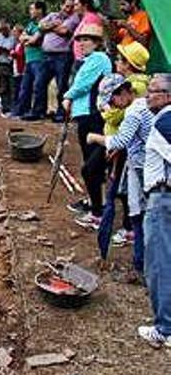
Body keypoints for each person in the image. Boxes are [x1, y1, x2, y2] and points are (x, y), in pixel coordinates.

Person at [88, 75, 151, 281]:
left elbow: (121, 140)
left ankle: (142, 265)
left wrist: (95, 138)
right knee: (137, 212)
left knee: (140, 214)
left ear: (122, 93)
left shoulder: (134, 111)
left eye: (112, 99)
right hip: (140, 165)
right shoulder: (143, 104)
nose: (112, 105)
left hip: (145, 169)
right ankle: (140, 262)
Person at [61, 23, 113, 229]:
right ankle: (93, 202)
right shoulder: (88, 60)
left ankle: (97, 211)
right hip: (84, 115)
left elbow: (83, 84)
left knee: (93, 165)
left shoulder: (99, 59)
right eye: (79, 39)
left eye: (86, 39)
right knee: (90, 160)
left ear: (97, 42)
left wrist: (67, 96)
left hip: (93, 116)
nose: (81, 43)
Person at [103, 42, 151, 246]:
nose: (117, 62)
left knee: (133, 193)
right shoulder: (132, 84)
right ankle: (134, 229)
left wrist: (106, 114)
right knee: (126, 190)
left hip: (130, 149)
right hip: (127, 149)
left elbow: (116, 119)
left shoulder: (135, 89)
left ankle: (133, 231)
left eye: (121, 59)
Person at [137, 73, 171, 346]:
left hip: (163, 199)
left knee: (160, 264)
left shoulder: (166, 121)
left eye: (153, 91)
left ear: (168, 96)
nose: (147, 95)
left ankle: (165, 329)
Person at [32, 0, 81, 122]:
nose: (68, 9)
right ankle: (38, 111)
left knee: (62, 86)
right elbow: (40, 25)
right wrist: (53, 25)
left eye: (71, 6)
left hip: (63, 55)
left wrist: (48, 27)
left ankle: (62, 113)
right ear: (61, 5)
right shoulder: (53, 15)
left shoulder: (74, 18)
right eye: (66, 6)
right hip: (46, 55)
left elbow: (64, 31)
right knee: (39, 83)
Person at [18, 2, 46, 119]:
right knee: (25, 87)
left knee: (38, 86)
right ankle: (23, 110)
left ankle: (38, 112)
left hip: (39, 59)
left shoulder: (44, 23)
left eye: (32, 9)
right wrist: (29, 39)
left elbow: (36, 41)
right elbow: (21, 38)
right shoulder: (30, 24)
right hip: (29, 60)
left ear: (39, 10)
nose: (30, 11)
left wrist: (29, 40)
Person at [72, 0, 105, 76]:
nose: (74, 8)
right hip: (81, 59)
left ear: (85, 5)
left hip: (86, 60)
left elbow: (93, 40)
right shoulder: (86, 18)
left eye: (77, 5)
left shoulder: (91, 18)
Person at [0, 19, 16, 114]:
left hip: (11, 65)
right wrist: (2, 50)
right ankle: (5, 108)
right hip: (1, 64)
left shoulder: (13, 37)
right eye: (1, 29)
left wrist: (3, 49)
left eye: (5, 28)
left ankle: (13, 108)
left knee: (12, 87)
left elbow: (11, 50)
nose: (3, 31)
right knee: (3, 87)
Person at [10, 24, 26, 116]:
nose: (13, 33)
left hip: (22, 71)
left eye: (15, 31)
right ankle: (15, 110)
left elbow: (22, 56)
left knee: (20, 91)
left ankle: (19, 110)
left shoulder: (23, 44)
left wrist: (14, 54)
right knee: (15, 91)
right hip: (16, 70)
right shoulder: (17, 44)